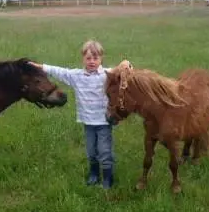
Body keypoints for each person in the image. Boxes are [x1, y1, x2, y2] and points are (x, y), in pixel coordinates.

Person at [28, 40, 132, 189]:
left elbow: (125, 71)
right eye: (88, 58)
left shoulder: (107, 75)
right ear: (83, 58)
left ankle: (108, 180)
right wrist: (40, 67)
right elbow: (59, 71)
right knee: (91, 151)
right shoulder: (76, 76)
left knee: (104, 151)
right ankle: (94, 175)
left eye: (95, 58)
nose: (92, 62)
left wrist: (127, 63)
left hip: (104, 122)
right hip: (88, 123)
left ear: (101, 59)